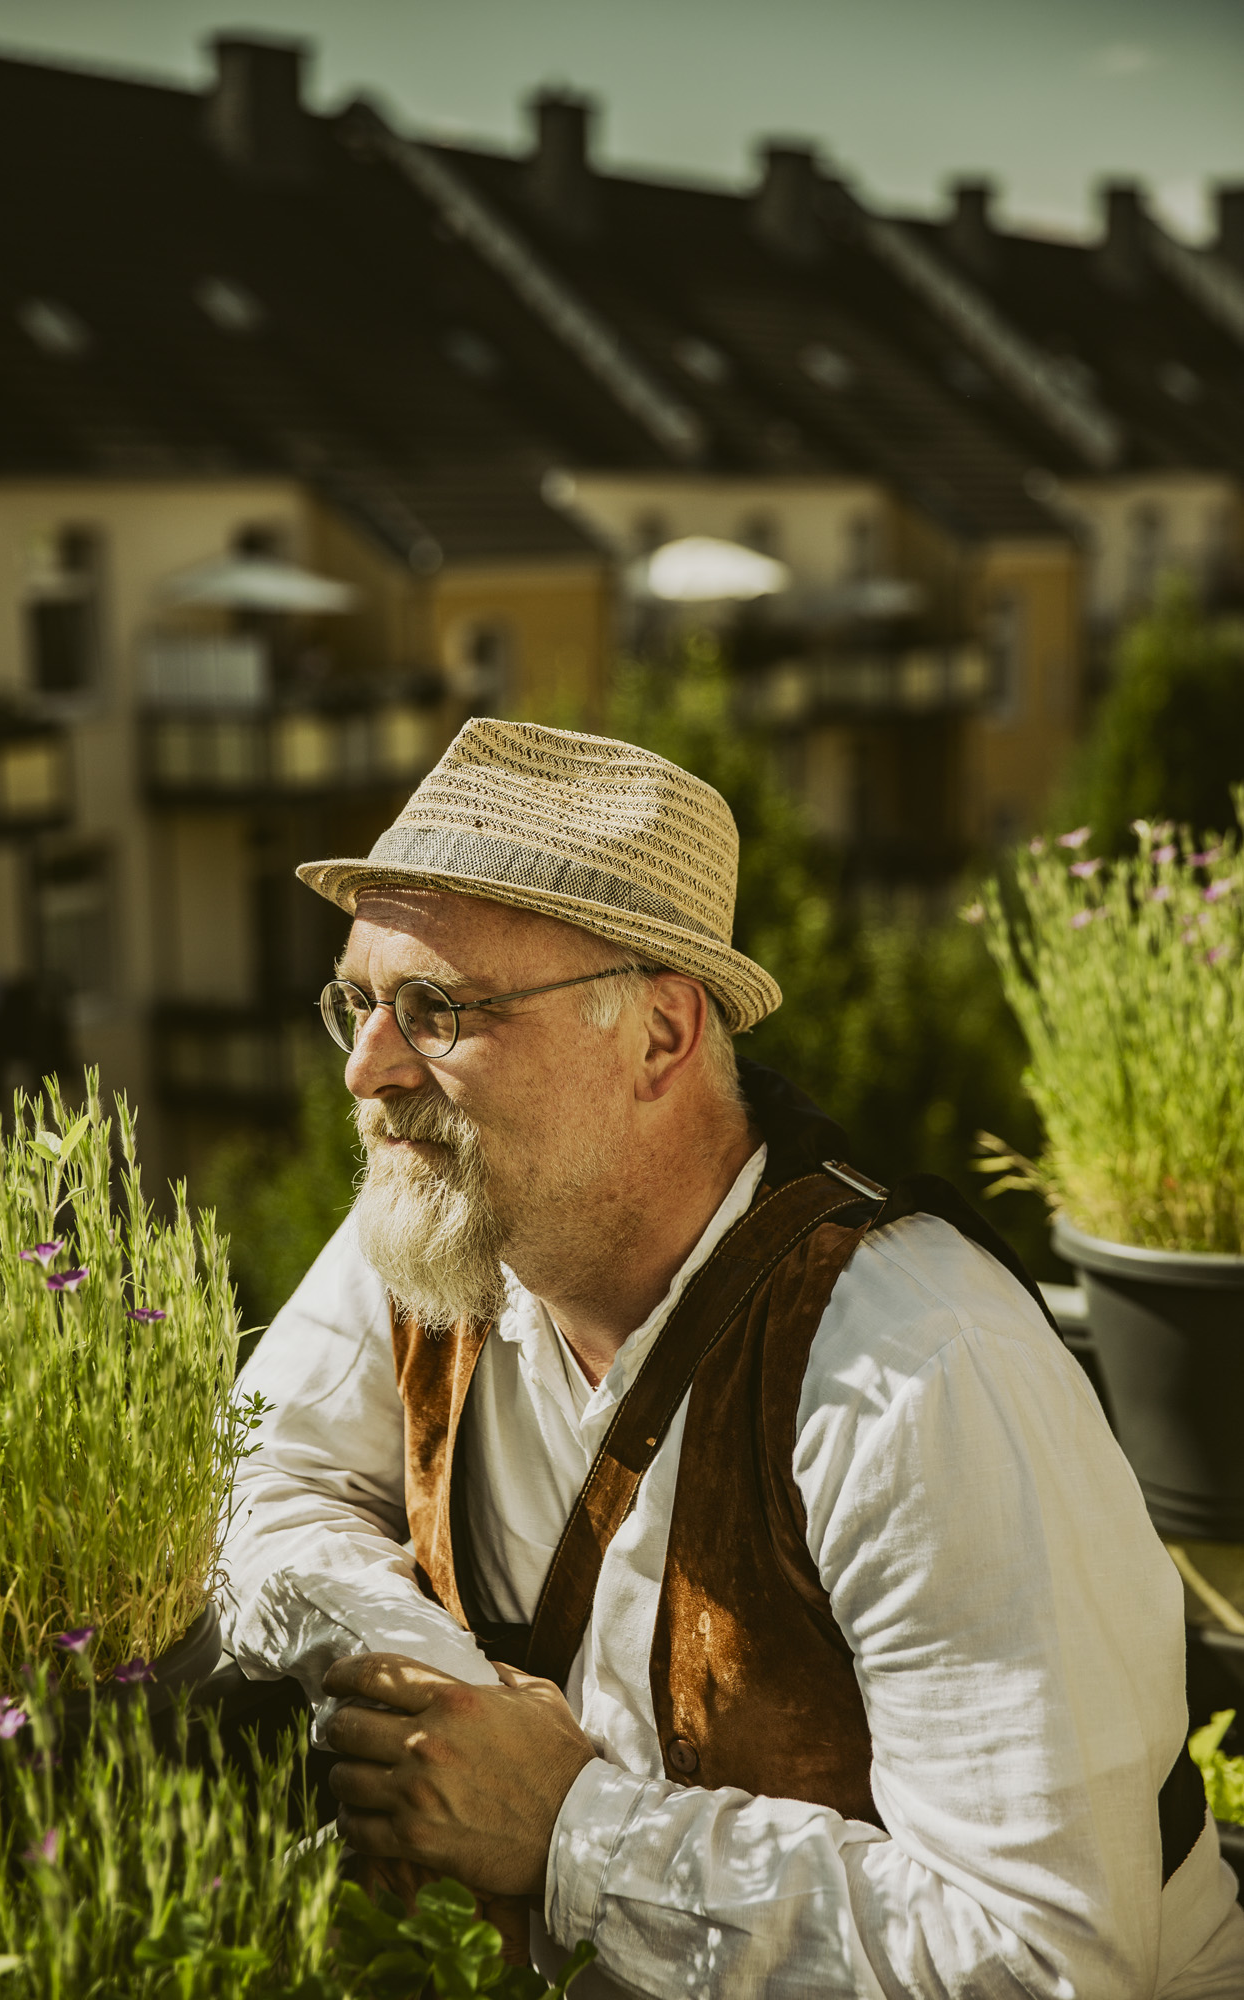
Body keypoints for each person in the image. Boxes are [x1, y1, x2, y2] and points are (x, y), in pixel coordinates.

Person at [219, 717, 1244, 1998]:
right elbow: (256, 1480)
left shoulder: (922, 1369)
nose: (369, 1069)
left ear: (660, 1033)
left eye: (436, 1009)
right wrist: (438, 1690)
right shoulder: (439, 1225)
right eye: (357, 1002)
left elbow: (1045, 1957)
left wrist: (567, 1829)